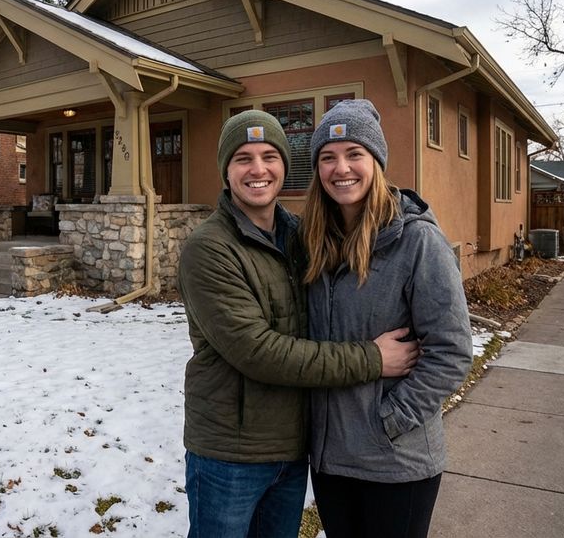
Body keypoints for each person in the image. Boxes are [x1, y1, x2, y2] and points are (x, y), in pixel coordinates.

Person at [178, 110, 420, 538]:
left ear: (284, 167)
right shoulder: (209, 248)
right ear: (226, 172)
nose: (258, 169)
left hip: (293, 450)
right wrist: (371, 358)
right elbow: (259, 351)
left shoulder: (302, 236)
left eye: (270, 156)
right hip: (230, 455)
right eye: (243, 158)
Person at [301, 99, 472, 538]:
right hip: (331, 458)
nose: (342, 168)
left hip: (397, 462)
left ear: (376, 161)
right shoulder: (316, 244)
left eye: (354, 154)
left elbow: (450, 352)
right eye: (328, 157)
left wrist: (389, 421)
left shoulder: (418, 242)